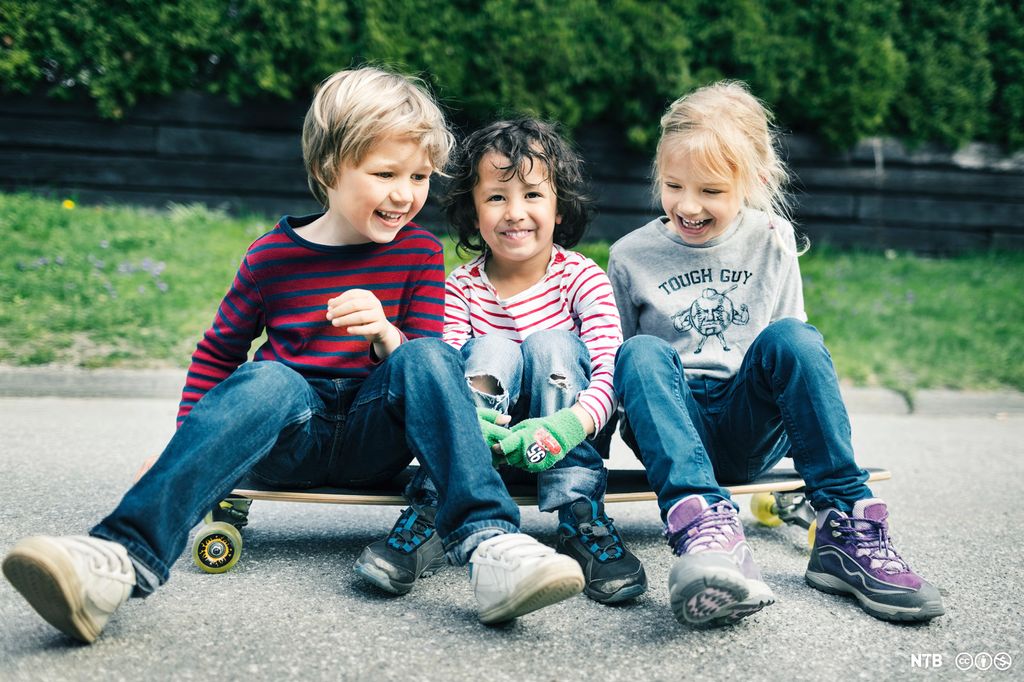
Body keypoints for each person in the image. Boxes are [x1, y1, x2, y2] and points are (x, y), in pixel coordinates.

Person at [2, 67, 586, 644]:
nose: (406, 194)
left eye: (419, 176)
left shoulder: (419, 253)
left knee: (428, 354)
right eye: (385, 173)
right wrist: (181, 446)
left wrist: (385, 333)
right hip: (289, 437)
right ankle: (115, 560)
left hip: (372, 437)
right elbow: (215, 357)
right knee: (268, 378)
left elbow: (430, 371)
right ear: (328, 170)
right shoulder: (270, 257)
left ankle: (491, 547)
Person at [608, 81, 944, 627]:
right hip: (673, 422)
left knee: (795, 337)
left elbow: (790, 359)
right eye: (673, 185)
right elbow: (616, 369)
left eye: (711, 191)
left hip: (750, 422)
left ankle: (843, 529)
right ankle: (706, 536)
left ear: (754, 181)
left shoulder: (773, 238)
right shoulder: (629, 255)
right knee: (640, 352)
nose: (687, 205)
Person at [355, 119, 646, 604]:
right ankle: (432, 510)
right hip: (480, 454)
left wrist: (566, 428)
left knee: (552, 343)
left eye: (533, 195)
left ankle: (580, 517)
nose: (515, 213)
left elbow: (609, 376)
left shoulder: (582, 279)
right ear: (472, 208)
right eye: (496, 197)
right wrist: (473, 427)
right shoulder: (460, 287)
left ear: (559, 205)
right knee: (493, 349)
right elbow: (439, 381)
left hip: (562, 448)